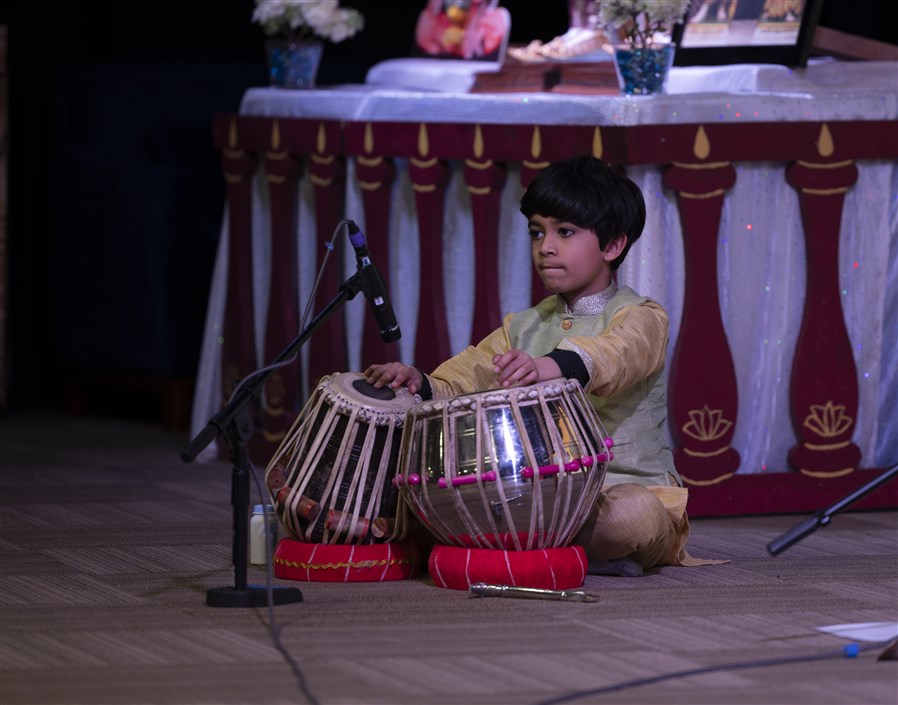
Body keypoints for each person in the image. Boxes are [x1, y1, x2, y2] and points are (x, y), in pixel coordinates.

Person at [365, 154, 721, 576]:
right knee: (431, 491)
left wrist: (551, 367)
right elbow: (465, 380)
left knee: (633, 517)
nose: (545, 247)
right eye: (537, 232)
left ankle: (517, 543)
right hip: (539, 496)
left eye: (565, 232)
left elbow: (616, 354)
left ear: (612, 246)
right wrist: (418, 382)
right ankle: (565, 551)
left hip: (619, 489)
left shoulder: (641, 316)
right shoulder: (525, 325)